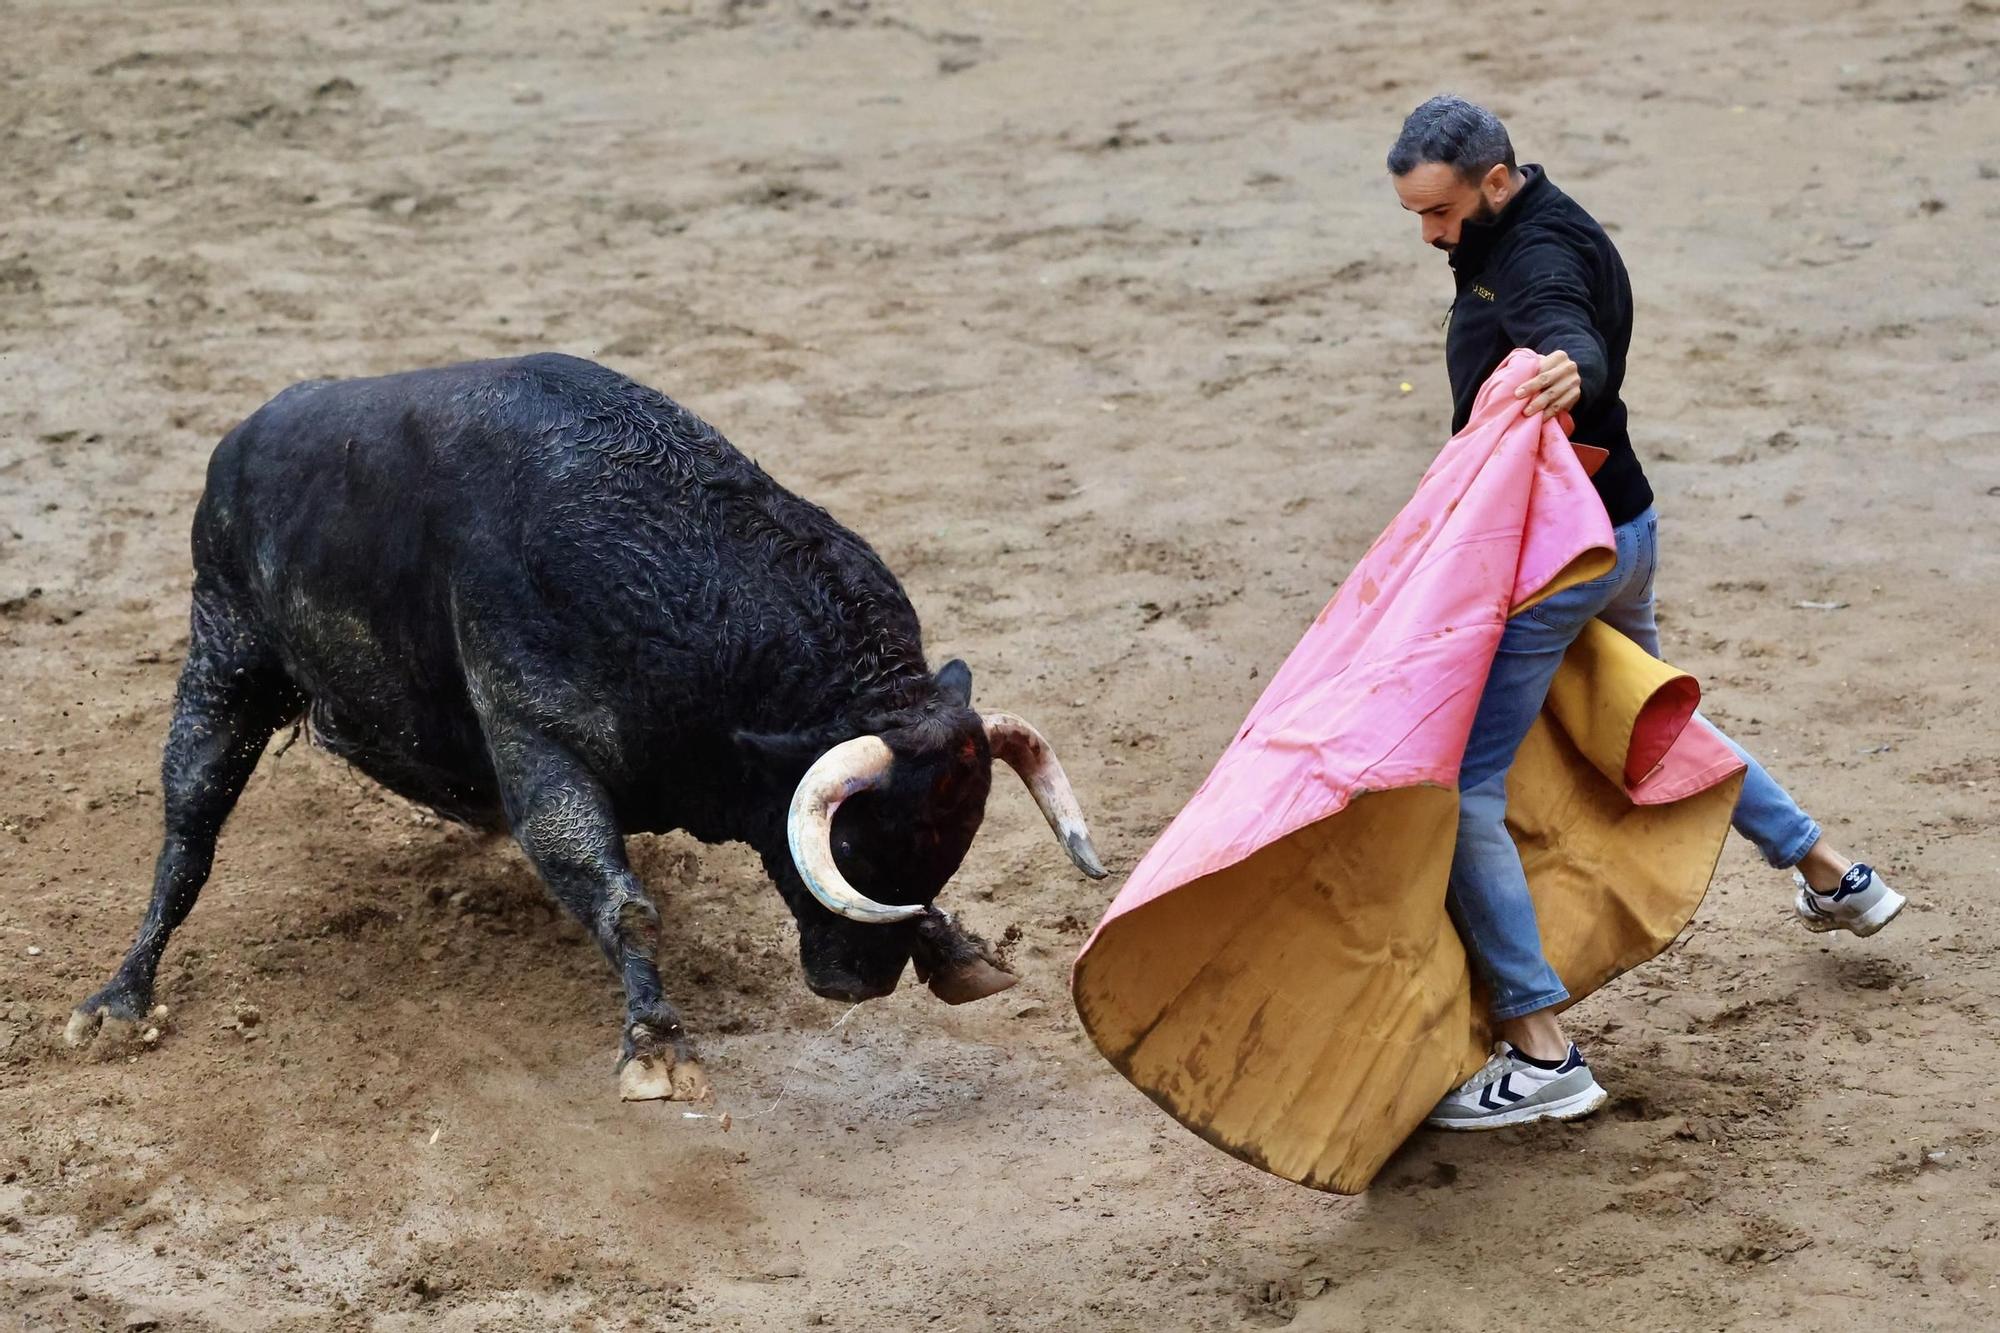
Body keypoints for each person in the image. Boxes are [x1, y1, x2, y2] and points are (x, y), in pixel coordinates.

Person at [1384, 95, 1906, 1130]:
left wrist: (1573, 368)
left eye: (1439, 213)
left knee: (1465, 785)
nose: (1431, 235)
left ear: (1494, 181)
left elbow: (1564, 326)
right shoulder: (1529, 223)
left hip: (1554, 556)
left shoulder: (1534, 256)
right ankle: (1831, 872)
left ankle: (1539, 1050)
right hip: (1619, 526)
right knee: (1646, 724)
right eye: (1416, 216)